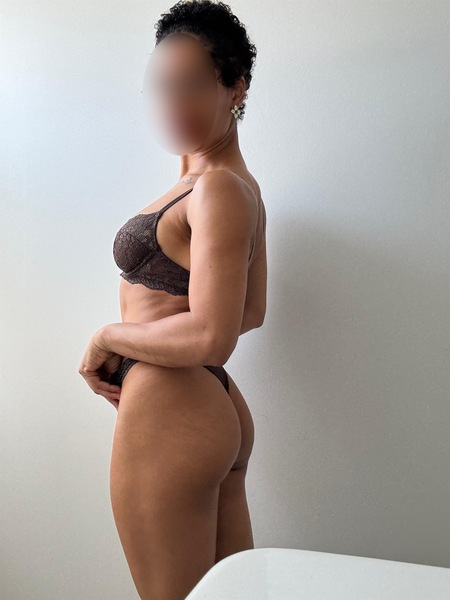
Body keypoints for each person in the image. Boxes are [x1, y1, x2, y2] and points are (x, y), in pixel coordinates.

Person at [78, 1, 266, 598]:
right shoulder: (231, 187)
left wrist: (108, 337)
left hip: (171, 403)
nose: (173, 103)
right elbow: (251, 310)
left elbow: (214, 335)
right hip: (207, 405)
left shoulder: (217, 188)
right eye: (162, 86)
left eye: (192, 85)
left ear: (235, 87)